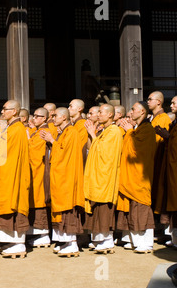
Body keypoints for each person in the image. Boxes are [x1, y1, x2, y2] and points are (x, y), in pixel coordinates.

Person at [0, 100, 30, 258]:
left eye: (5, 109)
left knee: (11, 204)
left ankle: (17, 244)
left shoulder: (17, 129)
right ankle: (10, 242)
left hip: (12, 176)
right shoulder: (11, 128)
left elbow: (10, 151)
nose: (2, 111)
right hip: (6, 174)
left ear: (14, 111)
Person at [40, 107, 85, 257]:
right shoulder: (64, 132)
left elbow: (65, 154)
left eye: (55, 115)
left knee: (67, 208)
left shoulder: (71, 132)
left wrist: (52, 141)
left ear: (64, 118)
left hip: (67, 178)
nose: (53, 117)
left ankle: (72, 244)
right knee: (59, 208)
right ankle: (64, 242)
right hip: (60, 177)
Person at [83, 104, 123, 254]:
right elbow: (91, 148)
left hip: (106, 176)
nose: (98, 115)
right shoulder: (104, 131)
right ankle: (101, 240)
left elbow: (105, 153)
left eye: (101, 112)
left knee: (104, 209)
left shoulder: (114, 131)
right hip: (98, 175)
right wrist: (91, 134)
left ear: (110, 115)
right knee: (97, 209)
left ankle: (107, 241)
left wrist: (93, 134)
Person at [117, 101, 156, 253]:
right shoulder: (138, 129)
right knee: (134, 209)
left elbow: (137, 151)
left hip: (140, 176)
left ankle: (146, 243)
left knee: (142, 208)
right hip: (132, 175)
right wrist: (130, 131)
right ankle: (137, 241)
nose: (131, 112)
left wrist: (129, 131)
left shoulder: (147, 130)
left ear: (142, 112)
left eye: (133, 109)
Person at [147, 91, 172, 236]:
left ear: (158, 102)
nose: (148, 101)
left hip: (158, 159)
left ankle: (164, 230)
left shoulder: (164, 118)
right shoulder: (151, 118)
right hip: (150, 160)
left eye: (150, 99)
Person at [26, 107, 52, 248]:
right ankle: (38, 234)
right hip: (34, 172)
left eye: (38, 116)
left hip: (39, 171)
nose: (34, 118)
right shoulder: (38, 131)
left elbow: (35, 152)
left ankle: (43, 235)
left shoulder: (44, 132)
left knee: (39, 200)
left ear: (45, 118)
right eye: (34, 115)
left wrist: (26, 141)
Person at [154, 96, 177, 248]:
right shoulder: (174, 123)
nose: (172, 104)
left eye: (175, 102)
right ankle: (175, 238)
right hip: (171, 167)